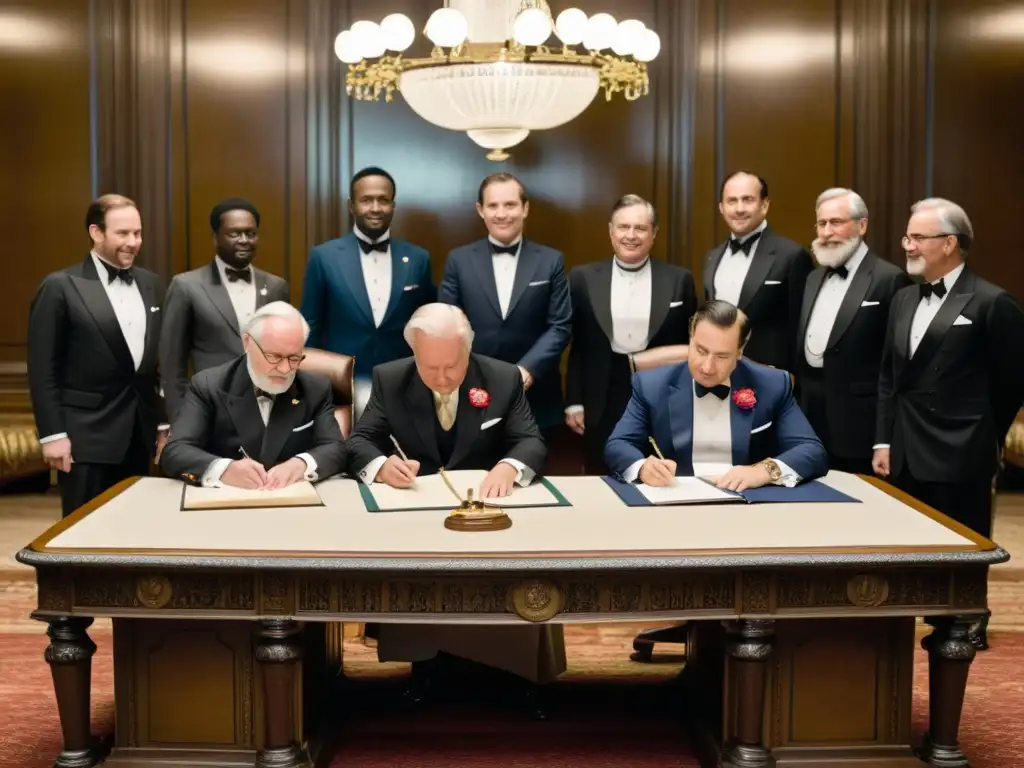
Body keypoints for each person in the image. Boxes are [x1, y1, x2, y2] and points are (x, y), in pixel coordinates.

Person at [347, 303, 562, 711]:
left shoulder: (501, 377)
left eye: (453, 366)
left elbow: (530, 441)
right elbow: (359, 442)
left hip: (491, 515)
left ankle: (517, 673)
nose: (443, 379)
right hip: (419, 517)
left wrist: (508, 467)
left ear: (468, 351)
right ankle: (425, 667)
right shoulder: (390, 378)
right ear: (414, 355)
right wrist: (382, 466)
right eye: (431, 368)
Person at [605, 299, 828, 661]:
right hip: (676, 511)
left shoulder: (772, 385)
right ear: (690, 339)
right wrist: (643, 466)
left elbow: (811, 451)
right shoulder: (651, 383)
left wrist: (763, 470)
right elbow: (618, 445)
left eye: (722, 356)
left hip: (748, 513)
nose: (707, 366)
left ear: (741, 352)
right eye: (700, 350)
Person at [874, 198, 1024, 649]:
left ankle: (967, 617)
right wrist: (883, 439)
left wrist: (983, 435)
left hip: (962, 444)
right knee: (910, 541)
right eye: (907, 236)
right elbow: (889, 377)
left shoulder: (993, 302)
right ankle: (910, 616)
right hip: (905, 442)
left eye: (918, 237)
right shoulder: (903, 297)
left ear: (950, 243)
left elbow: (1011, 382)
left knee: (965, 539)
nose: (908, 245)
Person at [27, 194, 167, 517]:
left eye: (138, 233)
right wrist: (52, 435)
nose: (133, 242)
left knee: (132, 530)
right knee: (81, 537)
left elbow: (154, 364)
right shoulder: (60, 286)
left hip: (138, 435)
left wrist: (162, 422)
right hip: (83, 439)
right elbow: (42, 368)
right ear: (96, 232)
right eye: (123, 234)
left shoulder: (152, 284)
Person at [565, 194, 697, 473]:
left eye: (640, 228)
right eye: (623, 227)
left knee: (660, 473)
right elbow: (578, 344)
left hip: (659, 391)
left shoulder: (678, 279)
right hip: (601, 392)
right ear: (611, 230)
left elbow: (690, 346)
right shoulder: (582, 277)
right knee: (600, 473)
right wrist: (574, 401)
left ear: (654, 233)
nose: (631, 235)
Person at [438, 172, 571, 433]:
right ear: (480, 210)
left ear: (525, 209)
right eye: (493, 205)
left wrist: (526, 371)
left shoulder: (551, 260)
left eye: (510, 205)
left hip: (538, 398)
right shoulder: (459, 260)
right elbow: (448, 325)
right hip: (474, 393)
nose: (502, 214)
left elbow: (560, 326)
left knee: (534, 473)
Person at [159, 302, 346, 488]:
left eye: (294, 358)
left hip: (293, 501)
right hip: (227, 504)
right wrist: (224, 469)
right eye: (273, 356)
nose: (284, 369)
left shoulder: (315, 388)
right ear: (247, 342)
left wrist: (302, 463)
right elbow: (175, 451)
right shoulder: (209, 385)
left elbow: (336, 448)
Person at [300, 167, 435, 418]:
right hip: (342, 388)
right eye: (366, 200)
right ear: (352, 206)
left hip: (404, 385)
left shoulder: (418, 258)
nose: (375, 208)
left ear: (393, 205)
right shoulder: (324, 257)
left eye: (383, 200)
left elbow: (428, 326)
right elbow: (311, 326)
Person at [796, 188, 912, 474]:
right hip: (810, 418)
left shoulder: (890, 279)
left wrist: (885, 437)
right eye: (821, 223)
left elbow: (897, 366)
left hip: (860, 426)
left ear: (862, 225)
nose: (826, 231)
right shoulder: (812, 278)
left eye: (836, 222)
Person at [160, 198, 289, 419]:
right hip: (208, 409)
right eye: (234, 234)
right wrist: (179, 419)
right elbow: (172, 364)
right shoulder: (187, 286)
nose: (244, 240)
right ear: (215, 237)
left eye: (250, 233)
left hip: (267, 409)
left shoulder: (276, 286)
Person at [703, 171, 814, 372]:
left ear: (764, 205)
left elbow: (802, 329)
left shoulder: (791, 256)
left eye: (747, 200)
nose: (739, 209)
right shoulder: (712, 257)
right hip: (717, 373)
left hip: (770, 376)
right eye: (731, 201)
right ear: (721, 207)